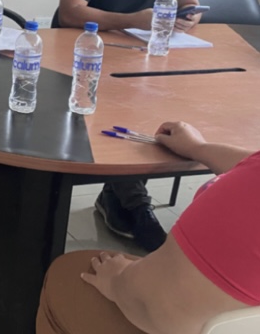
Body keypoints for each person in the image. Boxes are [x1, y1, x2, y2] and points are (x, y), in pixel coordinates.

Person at [54, 0, 202, 252]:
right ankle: (134, 204)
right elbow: (71, 11)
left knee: (154, 109)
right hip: (83, 52)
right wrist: (134, 19)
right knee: (120, 111)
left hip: (140, 55)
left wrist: (188, 18)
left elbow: (191, 4)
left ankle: (121, 195)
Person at [37, 121, 260, 334]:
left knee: (68, 272)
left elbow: (157, 306)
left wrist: (117, 281)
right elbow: (249, 166)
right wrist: (198, 148)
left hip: (169, 314)